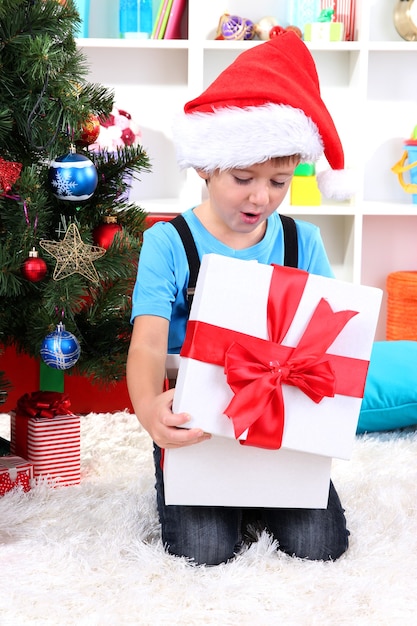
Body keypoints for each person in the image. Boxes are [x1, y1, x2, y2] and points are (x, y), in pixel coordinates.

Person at [126, 30, 352, 566]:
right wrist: (147, 411)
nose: (260, 197)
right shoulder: (169, 242)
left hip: (283, 423)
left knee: (320, 548)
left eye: (279, 181)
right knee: (205, 552)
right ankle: (219, 497)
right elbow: (149, 342)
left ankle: (260, 498)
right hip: (200, 420)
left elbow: (332, 344)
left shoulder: (303, 241)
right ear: (206, 166)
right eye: (244, 178)